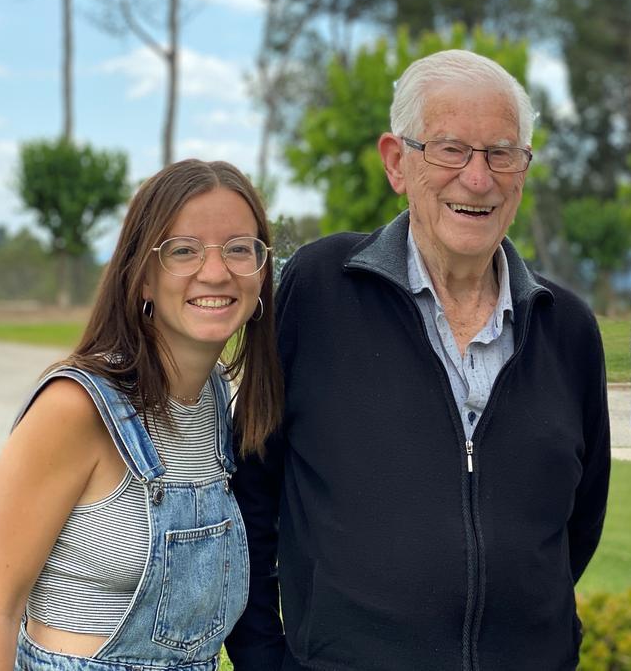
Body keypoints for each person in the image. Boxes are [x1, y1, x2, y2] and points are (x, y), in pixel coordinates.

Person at [225, 49, 611, 670]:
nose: (478, 178)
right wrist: (265, 658)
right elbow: (251, 493)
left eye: (501, 153)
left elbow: (577, 524)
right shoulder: (317, 290)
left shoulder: (567, 328)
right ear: (397, 162)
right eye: (450, 148)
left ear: (524, 168)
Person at [0, 159, 284, 670]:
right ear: (142, 279)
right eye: (184, 251)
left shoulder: (218, 399)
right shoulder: (75, 408)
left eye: (240, 249)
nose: (217, 271)